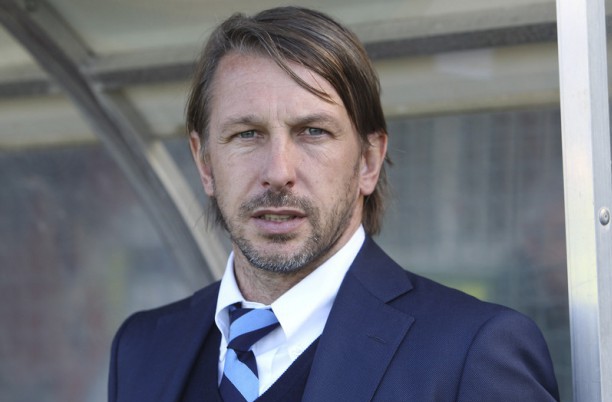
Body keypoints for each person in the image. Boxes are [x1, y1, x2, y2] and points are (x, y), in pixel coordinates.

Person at [108, 6, 560, 402]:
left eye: (313, 132)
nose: (278, 171)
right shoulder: (143, 347)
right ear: (205, 162)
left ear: (368, 161)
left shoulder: (471, 352)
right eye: (247, 134)